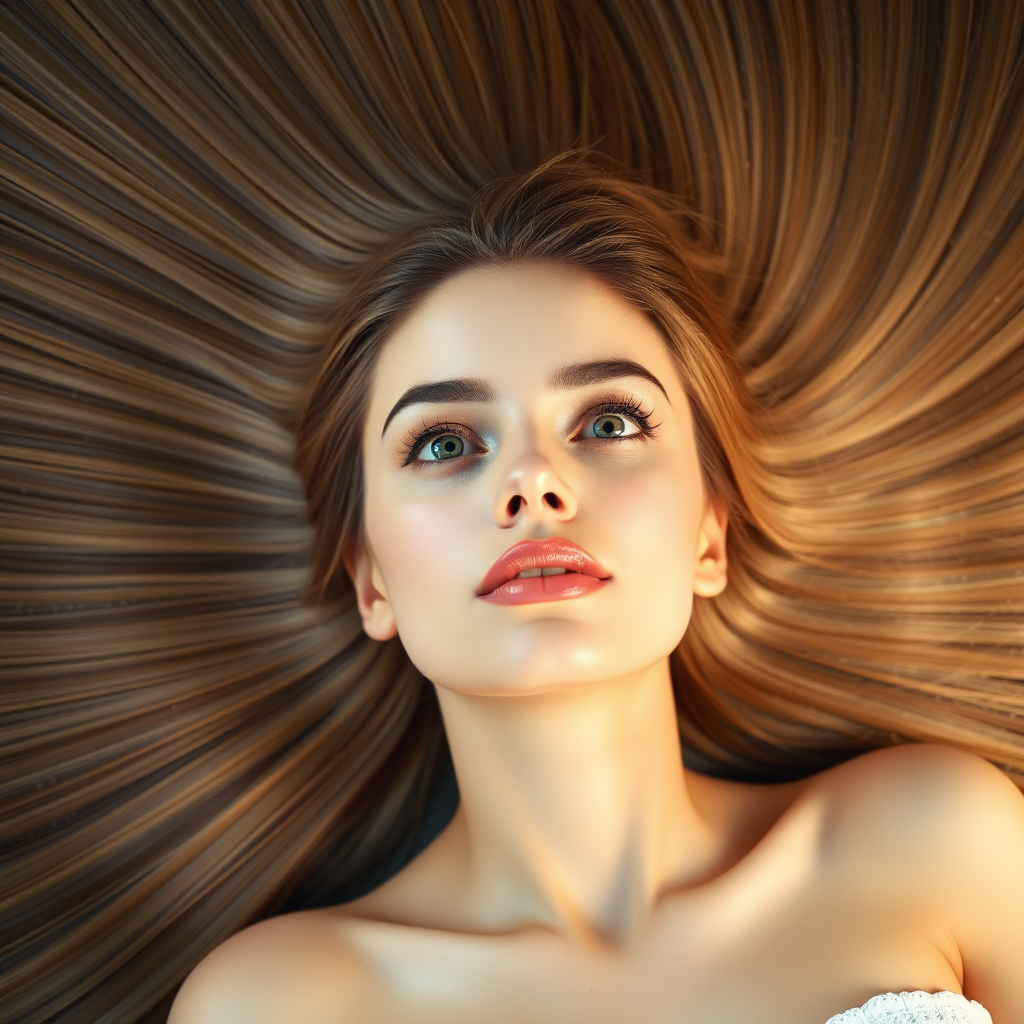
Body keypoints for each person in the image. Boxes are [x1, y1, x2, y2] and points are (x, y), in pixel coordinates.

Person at [168, 160, 1024, 1024]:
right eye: (444, 443)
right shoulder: (280, 1003)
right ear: (371, 580)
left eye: (608, 422)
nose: (533, 480)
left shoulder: (939, 841)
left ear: (709, 533)